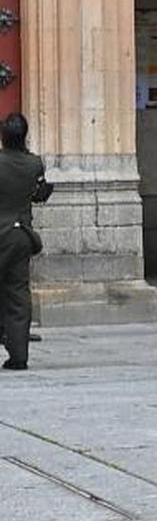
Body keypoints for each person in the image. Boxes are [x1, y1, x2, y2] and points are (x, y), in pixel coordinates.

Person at [0, 112, 45, 372]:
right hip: (19, 236)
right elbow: (38, 193)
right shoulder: (35, 163)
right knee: (17, 294)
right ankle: (19, 356)